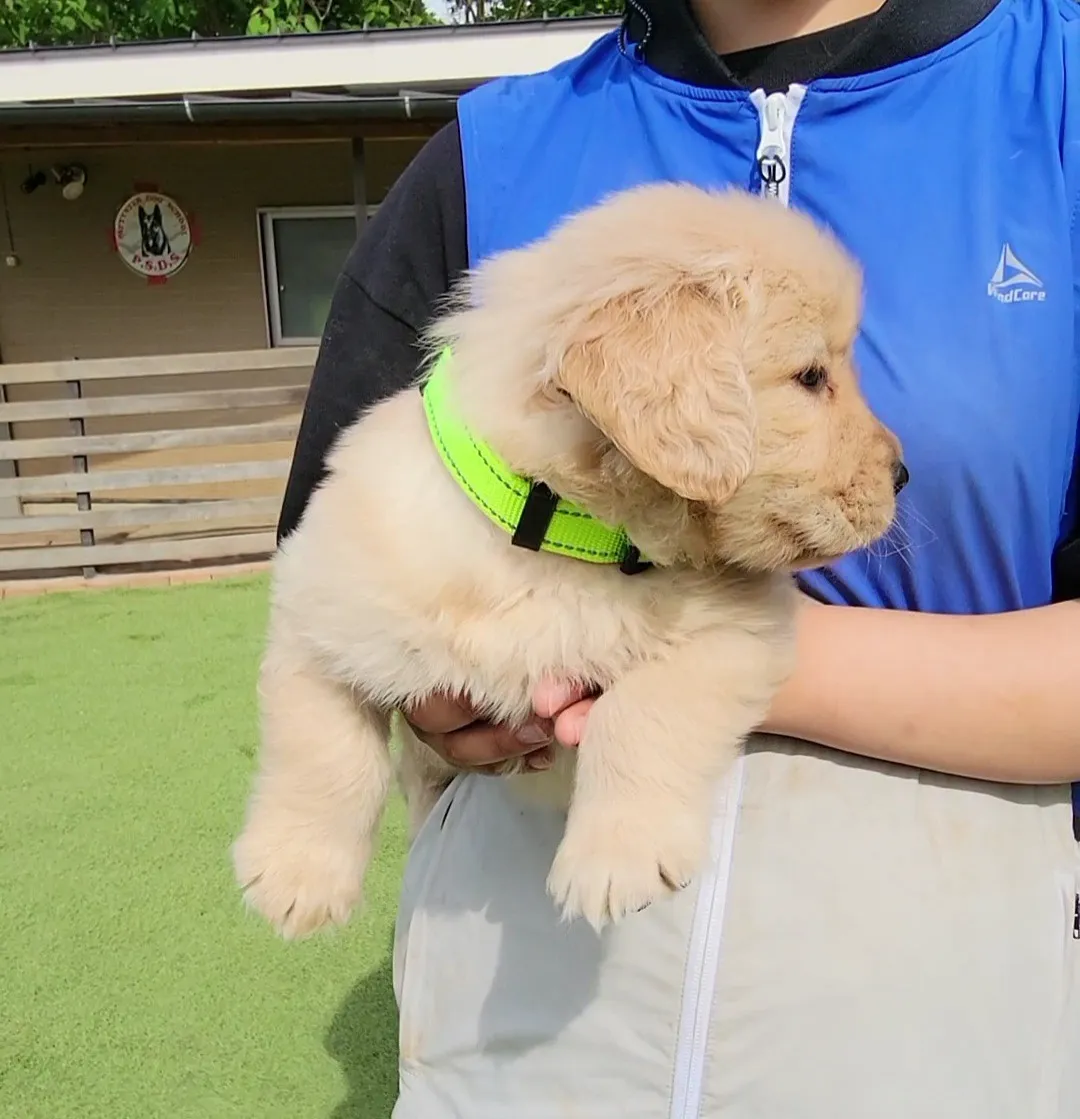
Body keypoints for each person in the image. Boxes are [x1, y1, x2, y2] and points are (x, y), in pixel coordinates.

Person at [278, 1, 1080, 1114]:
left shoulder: (1060, 94)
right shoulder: (489, 151)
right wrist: (442, 698)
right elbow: (335, 570)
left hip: (931, 1035)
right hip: (523, 1028)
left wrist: (688, 652)